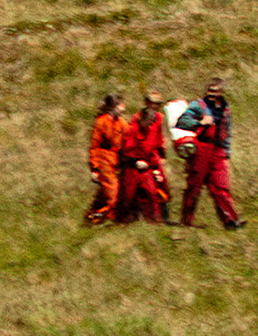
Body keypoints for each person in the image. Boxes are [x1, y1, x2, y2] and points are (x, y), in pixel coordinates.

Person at [174, 78, 243, 229]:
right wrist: (199, 123)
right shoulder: (198, 105)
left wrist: (227, 152)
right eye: (209, 90)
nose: (212, 94)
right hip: (201, 149)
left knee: (221, 187)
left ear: (221, 92)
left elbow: (228, 131)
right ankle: (186, 220)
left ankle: (230, 220)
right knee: (194, 186)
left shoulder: (226, 108)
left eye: (215, 91)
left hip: (218, 151)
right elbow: (182, 121)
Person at [113, 92, 170, 225]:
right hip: (133, 164)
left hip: (149, 160)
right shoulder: (133, 126)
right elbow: (127, 150)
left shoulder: (158, 119)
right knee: (128, 193)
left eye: (157, 103)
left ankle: (157, 218)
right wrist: (136, 161)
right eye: (152, 102)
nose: (155, 106)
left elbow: (157, 140)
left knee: (155, 188)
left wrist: (158, 159)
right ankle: (125, 219)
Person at [84, 91, 126, 226]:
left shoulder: (121, 122)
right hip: (104, 161)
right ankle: (114, 221)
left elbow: (130, 134)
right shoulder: (101, 122)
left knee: (103, 195)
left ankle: (94, 216)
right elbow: (94, 146)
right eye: (120, 104)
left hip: (117, 161)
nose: (123, 107)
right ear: (113, 106)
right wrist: (94, 168)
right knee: (114, 191)